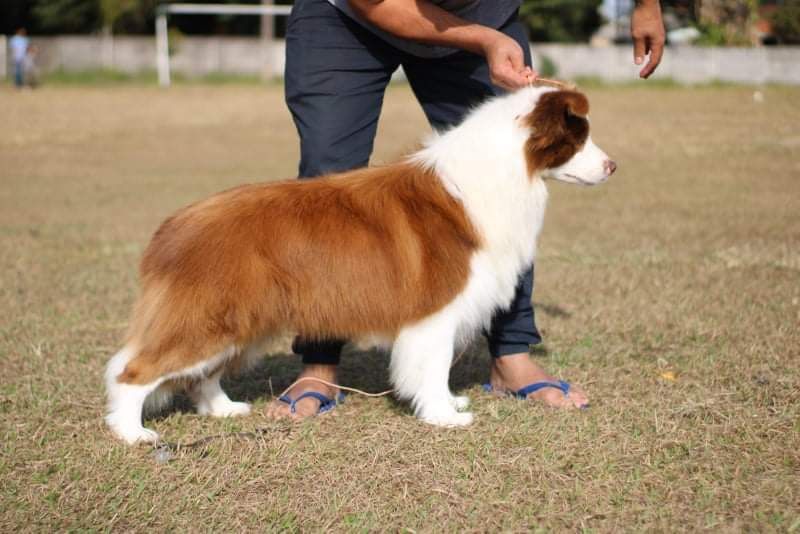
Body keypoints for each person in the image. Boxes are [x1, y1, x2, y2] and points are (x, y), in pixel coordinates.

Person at [267, 0, 665, 419]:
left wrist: (646, 5)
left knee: (508, 182)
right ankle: (319, 365)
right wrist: (482, 39)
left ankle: (511, 356)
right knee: (327, 179)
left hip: (482, 13)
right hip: (346, 19)